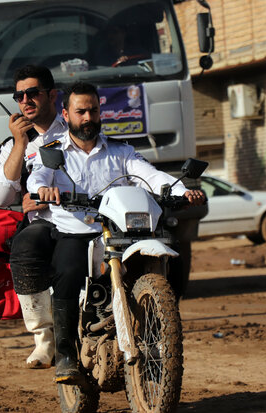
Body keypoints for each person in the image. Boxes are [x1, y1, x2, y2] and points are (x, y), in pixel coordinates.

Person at [26, 81, 206, 384]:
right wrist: (43, 188)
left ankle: (157, 334)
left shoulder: (122, 152)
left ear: (100, 113)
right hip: (76, 231)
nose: (87, 117)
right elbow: (37, 178)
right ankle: (67, 354)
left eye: (93, 110)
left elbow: (150, 176)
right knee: (67, 272)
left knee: (165, 258)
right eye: (80, 111)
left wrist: (182, 191)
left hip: (120, 232)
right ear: (66, 114)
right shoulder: (53, 153)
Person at [0, 65, 66, 369]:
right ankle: (44, 340)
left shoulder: (74, 129)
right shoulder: (14, 145)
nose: (25, 100)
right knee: (25, 244)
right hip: (44, 227)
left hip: (87, 219)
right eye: (19, 95)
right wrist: (20, 144)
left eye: (33, 93)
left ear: (52, 95)